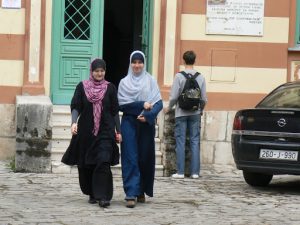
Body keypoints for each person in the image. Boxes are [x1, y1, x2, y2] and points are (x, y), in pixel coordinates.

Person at [61, 58, 121, 208]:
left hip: (105, 131)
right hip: (86, 132)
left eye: (102, 71)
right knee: (86, 165)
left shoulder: (110, 88)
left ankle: (103, 196)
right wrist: (73, 122)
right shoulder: (82, 87)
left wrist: (118, 131)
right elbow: (76, 106)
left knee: (103, 161)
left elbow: (114, 111)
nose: (99, 73)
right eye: (96, 71)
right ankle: (92, 192)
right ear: (91, 72)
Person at [118, 50, 163, 208]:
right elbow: (122, 104)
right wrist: (140, 106)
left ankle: (141, 190)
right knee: (130, 156)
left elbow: (159, 103)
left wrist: (149, 116)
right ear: (130, 63)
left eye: (140, 62)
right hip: (129, 123)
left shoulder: (150, 80)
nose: (137, 65)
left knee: (144, 157)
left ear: (144, 63)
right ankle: (131, 192)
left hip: (145, 124)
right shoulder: (124, 82)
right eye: (134, 62)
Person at [164, 50, 207, 179]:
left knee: (181, 141)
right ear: (194, 61)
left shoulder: (179, 76)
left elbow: (173, 96)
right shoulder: (201, 77)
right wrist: (201, 109)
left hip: (181, 112)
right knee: (194, 141)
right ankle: (195, 173)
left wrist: (169, 107)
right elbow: (204, 98)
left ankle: (181, 172)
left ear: (183, 61)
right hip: (195, 112)